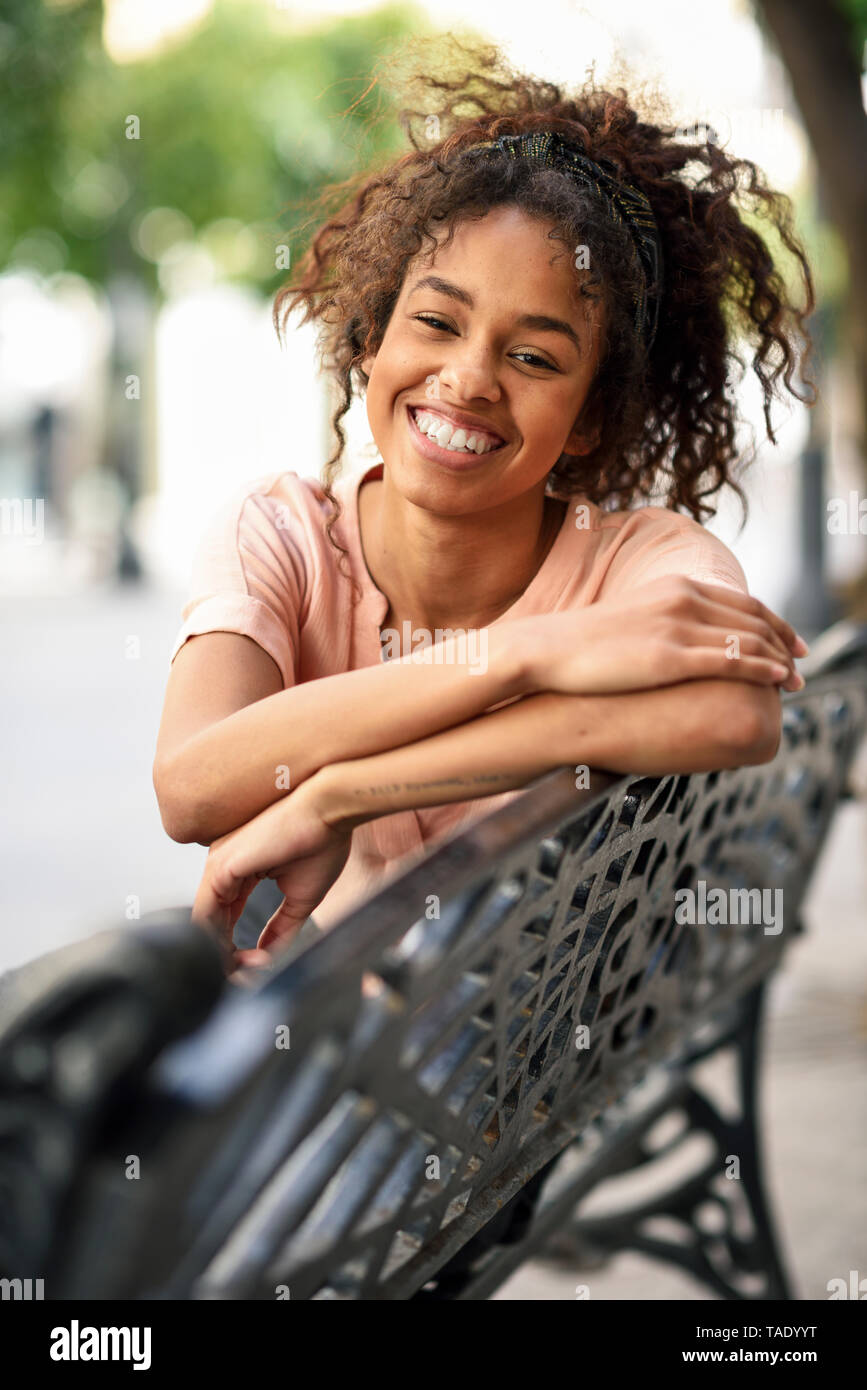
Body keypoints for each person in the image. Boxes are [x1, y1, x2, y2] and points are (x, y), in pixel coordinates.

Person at [152, 38, 813, 980]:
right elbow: (190, 787)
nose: (467, 381)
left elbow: (738, 710)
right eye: (435, 322)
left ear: (589, 421)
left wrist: (336, 794)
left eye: (535, 358)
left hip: (423, 1084)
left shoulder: (636, 560)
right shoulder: (281, 534)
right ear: (370, 339)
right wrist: (526, 653)